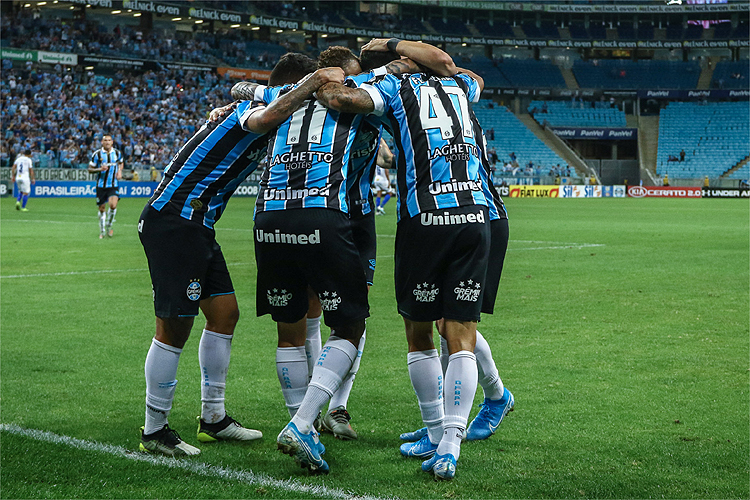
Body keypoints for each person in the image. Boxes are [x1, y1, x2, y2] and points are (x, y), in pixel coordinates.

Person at [137, 55, 340, 457]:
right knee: (173, 326)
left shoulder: (251, 107)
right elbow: (262, 116)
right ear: (292, 88)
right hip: (175, 221)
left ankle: (213, 418)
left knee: (225, 313)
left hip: (197, 225)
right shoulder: (253, 112)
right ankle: (154, 429)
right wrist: (313, 82)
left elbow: (244, 95)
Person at [318, 38, 491, 480]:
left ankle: (436, 432)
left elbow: (341, 98)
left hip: (425, 220)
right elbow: (471, 76)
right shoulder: (462, 87)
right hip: (475, 217)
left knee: (419, 334)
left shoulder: (394, 88)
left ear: (403, 62)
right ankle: (451, 444)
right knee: (461, 334)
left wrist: (329, 81)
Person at [88, 135, 123, 239]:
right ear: (102, 142)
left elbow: (121, 163)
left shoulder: (117, 153)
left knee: (113, 205)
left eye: (109, 140)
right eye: (105, 140)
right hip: (101, 186)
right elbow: (90, 169)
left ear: (112, 142)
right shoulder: (97, 154)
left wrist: (119, 171)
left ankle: (109, 226)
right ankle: (102, 231)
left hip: (113, 184)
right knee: (102, 208)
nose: (107, 142)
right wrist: (99, 169)